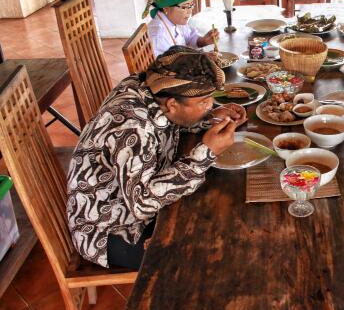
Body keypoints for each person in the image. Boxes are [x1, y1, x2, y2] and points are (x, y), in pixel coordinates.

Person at [67, 46, 246, 269]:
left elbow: (171, 122)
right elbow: (142, 203)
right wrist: (206, 153)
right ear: (172, 104)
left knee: (218, 213)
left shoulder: (149, 87)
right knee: (210, 253)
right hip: (110, 229)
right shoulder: (132, 127)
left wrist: (208, 117)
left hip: (139, 196)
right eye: (204, 102)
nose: (210, 105)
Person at [143, 0, 219, 57]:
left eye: (191, 5)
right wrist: (200, 58)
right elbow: (165, 65)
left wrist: (203, 41)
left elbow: (189, 37)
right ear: (166, 8)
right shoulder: (158, 36)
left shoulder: (175, 19)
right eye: (184, 7)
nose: (189, 11)